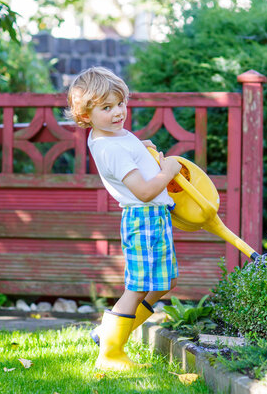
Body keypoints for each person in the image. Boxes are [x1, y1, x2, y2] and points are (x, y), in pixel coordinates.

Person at [66, 67, 182, 371]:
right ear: (86, 114)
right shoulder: (109, 148)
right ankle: (111, 352)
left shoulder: (112, 135)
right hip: (144, 217)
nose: (118, 112)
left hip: (155, 217)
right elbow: (143, 191)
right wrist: (168, 171)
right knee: (137, 287)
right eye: (107, 108)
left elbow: (130, 158)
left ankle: (109, 332)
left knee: (166, 282)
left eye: (120, 104)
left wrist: (143, 152)